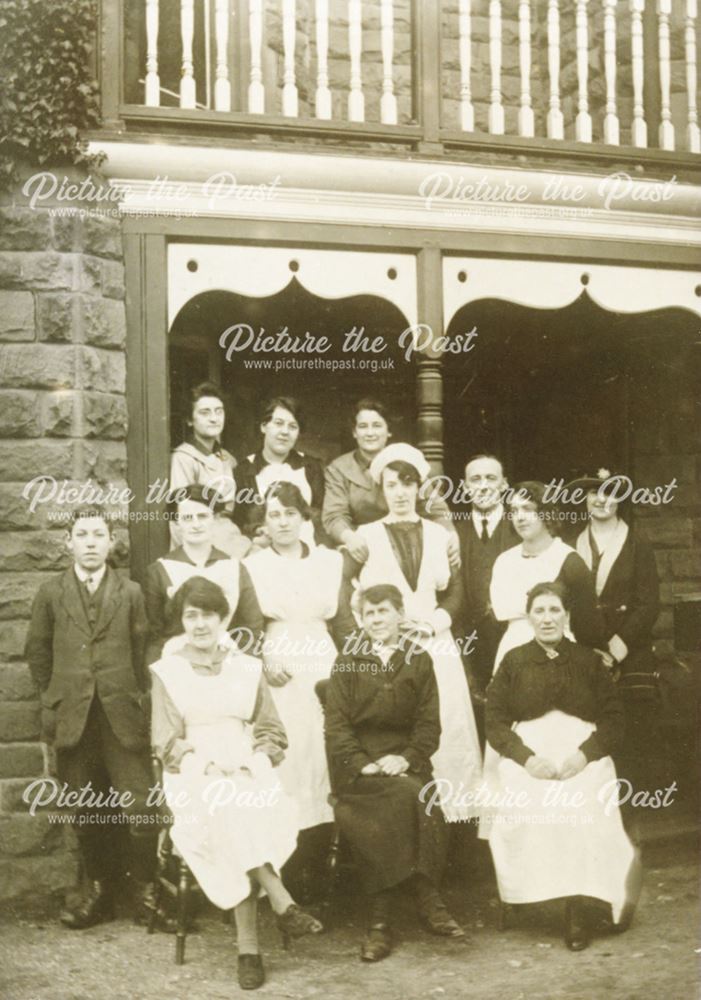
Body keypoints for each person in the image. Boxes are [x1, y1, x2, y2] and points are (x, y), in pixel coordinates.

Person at [150, 576, 322, 991]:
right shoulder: (167, 671)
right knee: (227, 804)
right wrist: (204, 766)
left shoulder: (247, 667)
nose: (200, 624)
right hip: (192, 772)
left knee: (238, 805)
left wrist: (256, 761)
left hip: (246, 765)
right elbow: (166, 740)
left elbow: (271, 730)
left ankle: (250, 951)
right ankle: (279, 902)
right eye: (191, 616)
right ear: (182, 622)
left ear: (223, 618)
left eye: (208, 614)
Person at [485, 582, 640, 950]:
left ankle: (577, 909)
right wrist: (527, 759)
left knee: (581, 800)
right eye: (539, 610)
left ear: (567, 616)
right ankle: (526, 893)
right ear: (528, 617)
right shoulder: (513, 661)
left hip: (580, 754)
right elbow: (494, 721)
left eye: (555, 610)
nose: (547, 618)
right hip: (530, 755)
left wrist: (585, 754)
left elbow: (615, 720)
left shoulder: (588, 661)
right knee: (527, 798)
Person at [24, 506, 159, 929]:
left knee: (141, 808)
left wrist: (140, 699)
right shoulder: (51, 592)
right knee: (84, 811)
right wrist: (54, 699)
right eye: (81, 534)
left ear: (110, 542)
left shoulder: (131, 592)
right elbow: (38, 653)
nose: (90, 543)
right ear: (69, 542)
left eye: (98, 534)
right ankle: (98, 892)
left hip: (122, 717)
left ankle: (147, 892)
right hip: (75, 719)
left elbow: (144, 653)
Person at [325, 584, 464, 963]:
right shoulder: (347, 661)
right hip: (360, 768)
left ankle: (385, 916)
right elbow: (336, 726)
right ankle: (409, 905)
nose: (376, 620)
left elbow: (428, 725)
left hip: (405, 761)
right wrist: (362, 763)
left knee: (423, 795)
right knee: (401, 798)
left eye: (383, 611)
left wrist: (406, 758)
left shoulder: (418, 659)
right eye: (369, 614)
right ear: (361, 620)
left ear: (399, 614)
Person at [345, 443, 482, 822]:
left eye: (408, 484)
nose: (401, 493)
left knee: (446, 725)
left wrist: (431, 623)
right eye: (392, 485)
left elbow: (457, 592)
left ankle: (453, 820)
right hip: (388, 648)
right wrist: (371, 635)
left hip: (434, 643)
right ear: (382, 490)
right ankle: (406, 821)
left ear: (419, 488)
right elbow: (347, 594)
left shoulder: (439, 535)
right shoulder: (366, 536)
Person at [570, 468, 661, 795]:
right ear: (585, 499)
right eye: (594, 492)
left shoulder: (638, 544)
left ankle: (631, 819)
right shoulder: (571, 545)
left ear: (620, 499)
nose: (601, 499)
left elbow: (649, 604)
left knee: (628, 739)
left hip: (628, 653)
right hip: (586, 654)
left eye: (609, 492)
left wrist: (617, 647)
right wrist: (590, 650)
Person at [322, 398, 459, 565]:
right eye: (363, 426)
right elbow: (334, 515)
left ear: (388, 431)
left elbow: (435, 509)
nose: (370, 433)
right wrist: (350, 538)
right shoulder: (339, 468)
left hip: (408, 543)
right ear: (354, 432)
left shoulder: (408, 460)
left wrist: (450, 534)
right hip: (360, 546)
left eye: (377, 425)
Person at [490, 481, 604, 669]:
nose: (520, 517)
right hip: (512, 654)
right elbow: (498, 617)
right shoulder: (504, 561)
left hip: (560, 656)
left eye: (527, 509)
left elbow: (587, 624)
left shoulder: (569, 561)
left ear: (546, 513)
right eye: (514, 510)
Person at [144, 485, 262, 664]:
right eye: (187, 518)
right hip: (178, 667)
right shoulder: (159, 571)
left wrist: (243, 672)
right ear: (176, 523)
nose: (196, 525)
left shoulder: (234, 567)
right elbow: (154, 636)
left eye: (203, 516)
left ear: (214, 519)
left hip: (228, 666)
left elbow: (250, 629)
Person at [456, 454, 518, 712]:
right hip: (464, 641)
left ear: (504, 484)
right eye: (475, 479)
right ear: (465, 487)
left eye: (490, 478)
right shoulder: (451, 532)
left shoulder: (520, 528)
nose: (483, 485)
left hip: (510, 640)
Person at [169, 382, 249, 558]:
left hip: (232, 536)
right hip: (205, 542)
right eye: (205, 412)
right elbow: (179, 519)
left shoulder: (228, 459)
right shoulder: (184, 458)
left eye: (219, 411)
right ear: (190, 420)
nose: (214, 418)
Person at [234, 396, 325, 547]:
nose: (285, 432)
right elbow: (239, 522)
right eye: (278, 423)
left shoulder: (311, 467)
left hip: (307, 550)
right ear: (263, 426)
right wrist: (255, 536)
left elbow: (321, 517)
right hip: (262, 551)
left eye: (293, 426)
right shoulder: (244, 471)